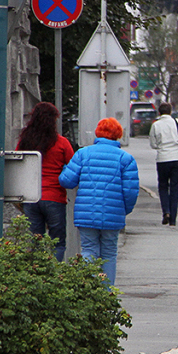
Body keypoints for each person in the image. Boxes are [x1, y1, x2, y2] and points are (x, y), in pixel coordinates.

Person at [59, 118, 139, 287]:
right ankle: (106, 292)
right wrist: (124, 210)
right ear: (118, 135)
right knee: (109, 252)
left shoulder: (83, 154)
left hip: (86, 212)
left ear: (98, 133)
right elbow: (131, 191)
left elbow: (67, 181)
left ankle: (89, 291)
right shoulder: (126, 159)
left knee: (88, 249)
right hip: (113, 214)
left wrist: (65, 168)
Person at [15, 101, 74, 260]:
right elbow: (73, 167)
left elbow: (17, 165)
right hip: (54, 197)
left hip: (31, 197)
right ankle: (53, 274)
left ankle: (37, 275)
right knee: (58, 241)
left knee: (35, 241)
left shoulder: (25, 142)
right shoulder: (61, 143)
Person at [149, 101, 178, 226]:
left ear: (159, 112)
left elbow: (153, 144)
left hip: (162, 159)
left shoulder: (156, 125)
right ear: (170, 112)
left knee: (163, 186)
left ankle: (166, 211)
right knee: (175, 188)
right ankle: (173, 219)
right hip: (177, 159)